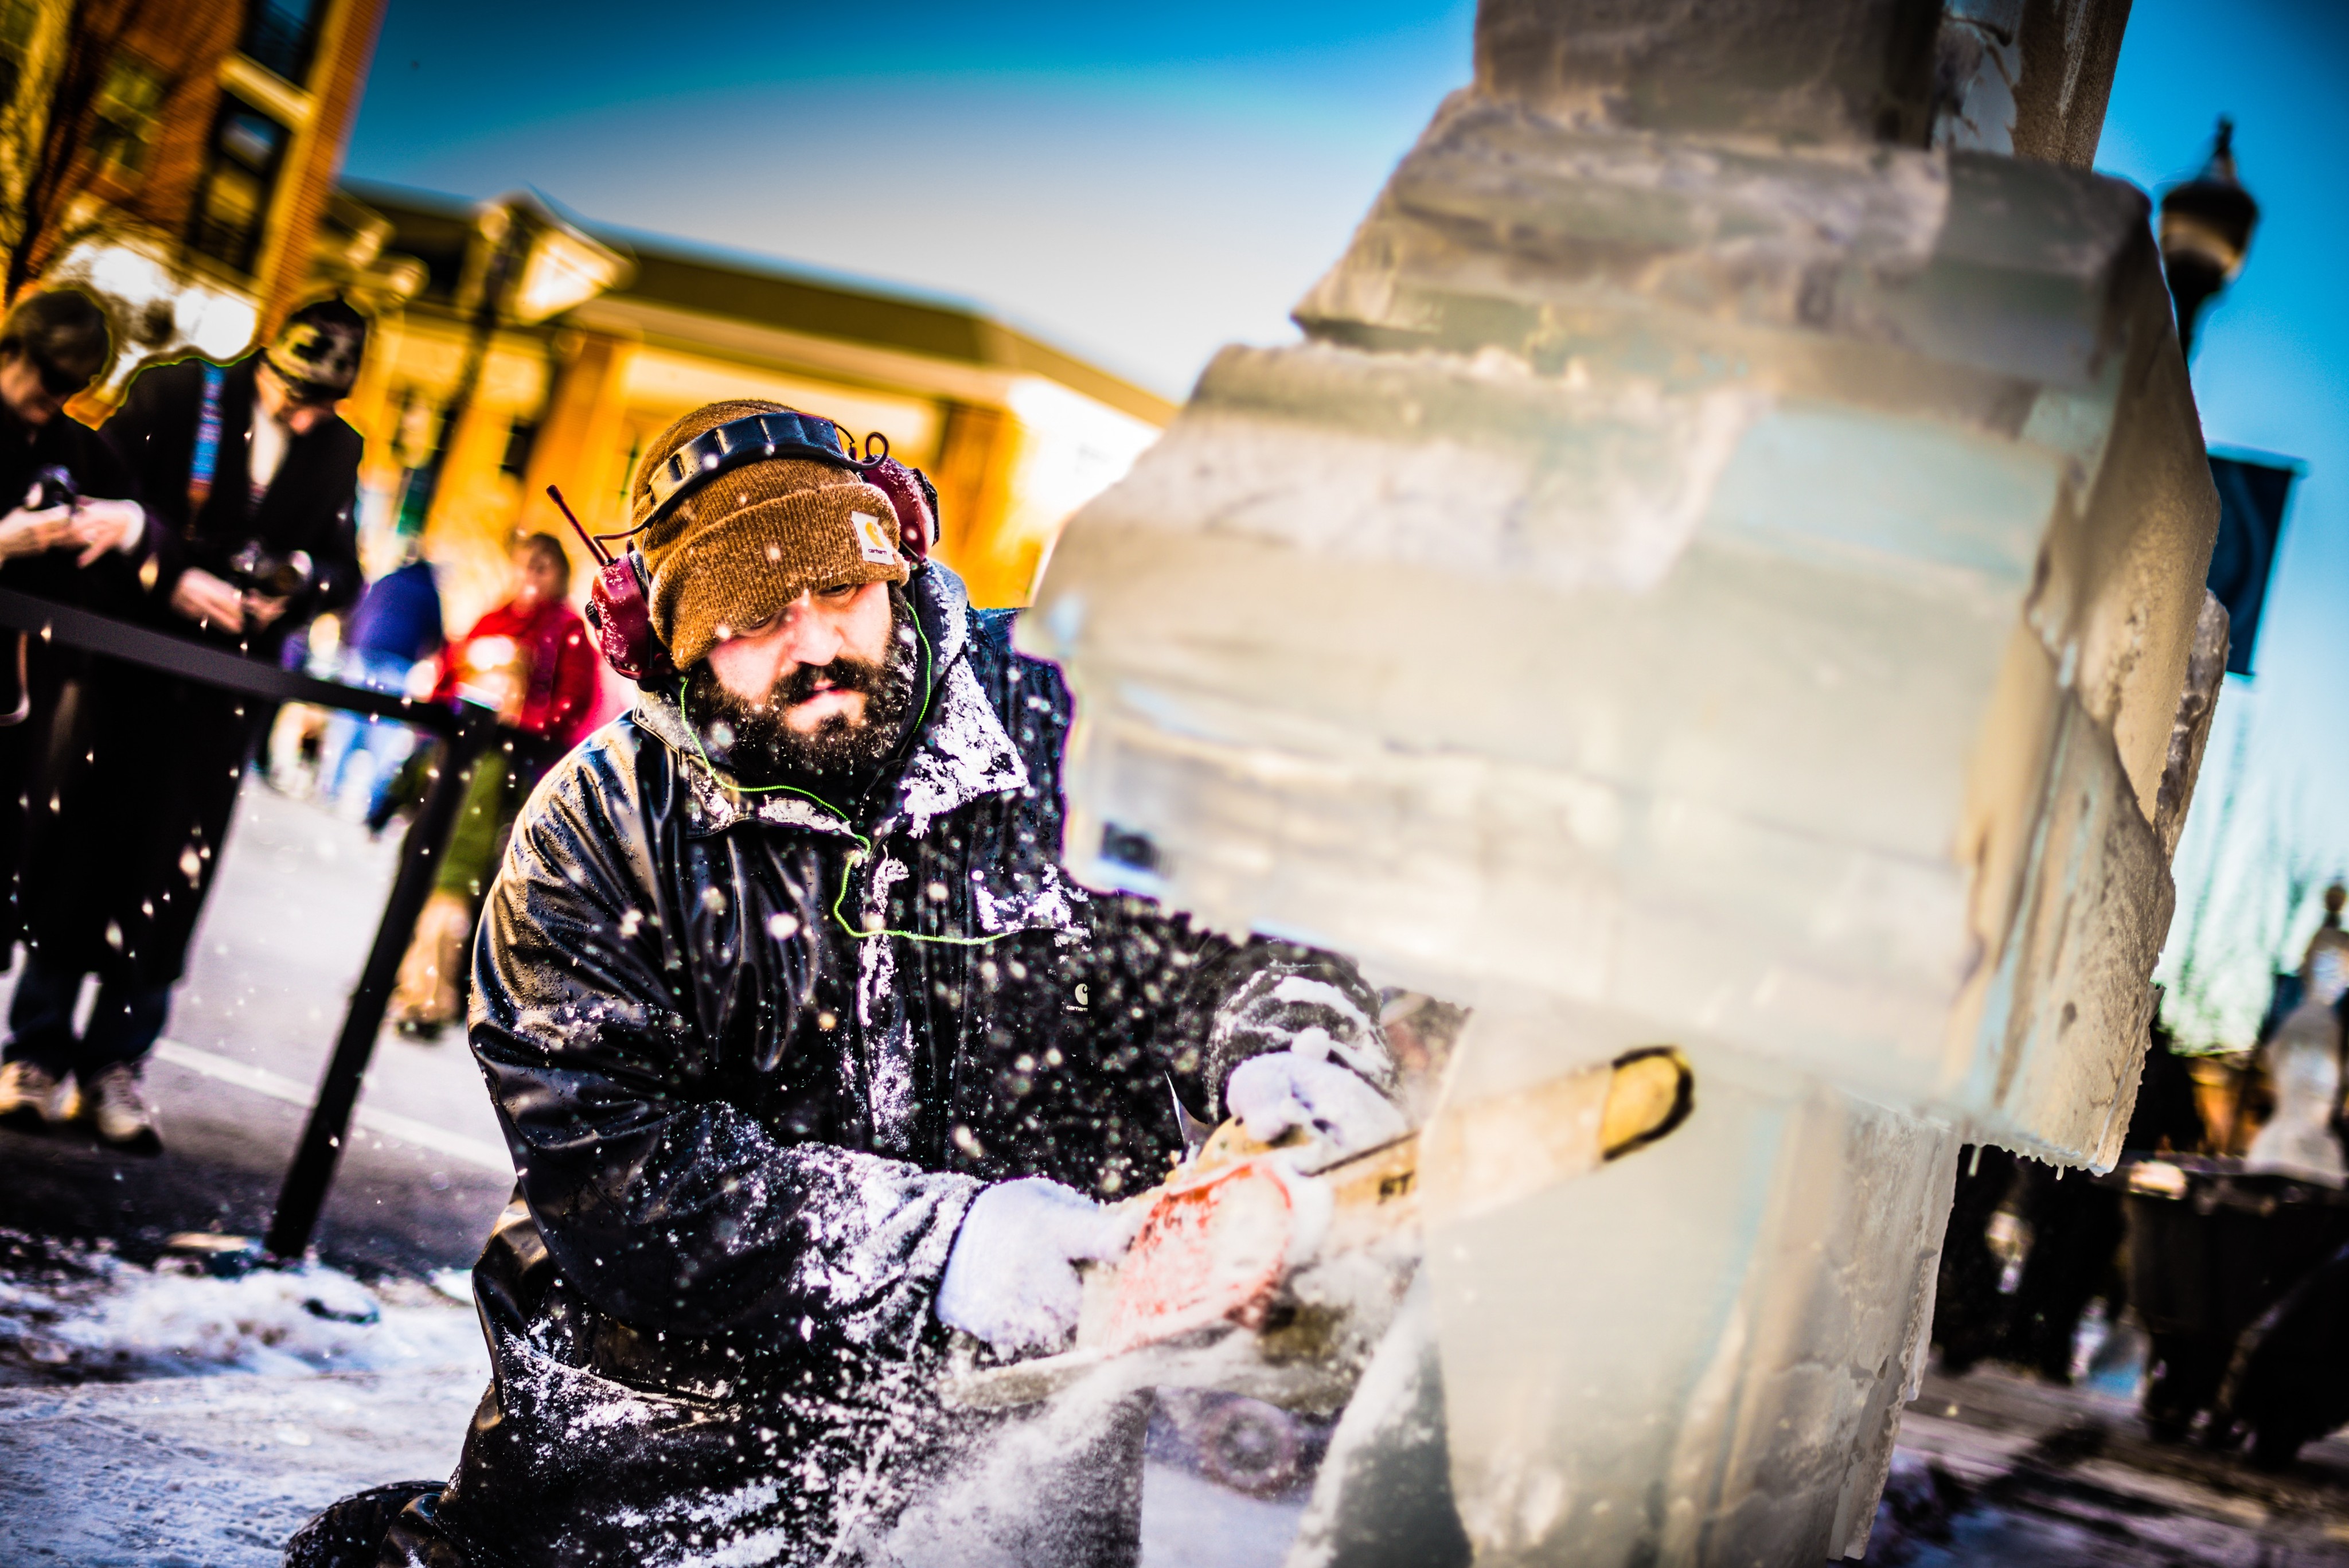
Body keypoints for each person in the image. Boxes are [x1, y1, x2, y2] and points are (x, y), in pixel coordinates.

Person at [305, 400, 1399, 1568]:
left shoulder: (1074, 732)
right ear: (660, 636)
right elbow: (610, 1171)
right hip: (666, 1425)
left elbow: (1246, 931)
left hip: (1017, 1427)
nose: (814, 641)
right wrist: (946, 1248)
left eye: (841, 590)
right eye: (755, 617)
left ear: (903, 555)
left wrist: (1292, 1047)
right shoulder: (594, 833)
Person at [6, 297, 367, 1151]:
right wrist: (169, 573)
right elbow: (95, 503)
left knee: (173, 876)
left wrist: (298, 577)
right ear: (267, 360)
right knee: (79, 849)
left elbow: (347, 570)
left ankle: (117, 1067)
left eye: (323, 404)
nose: (305, 413)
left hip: (222, 698)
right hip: (124, 668)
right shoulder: (177, 394)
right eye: (294, 394)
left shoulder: (338, 449)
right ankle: (36, 1053)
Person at [0, 287, 152, 1132]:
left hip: (23, 710)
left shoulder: (74, 448)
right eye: (43, 376)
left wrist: (124, 526)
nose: (49, 398)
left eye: (70, 385)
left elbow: (142, 531)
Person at [384, 532, 595, 1037]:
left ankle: (432, 994)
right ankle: (395, 979)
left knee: (460, 882)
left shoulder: (565, 632)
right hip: (453, 760)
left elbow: (573, 708)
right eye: (526, 566)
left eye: (543, 568)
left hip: (505, 774)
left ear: (559, 574)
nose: (532, 577)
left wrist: (521, 718)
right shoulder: (496, 617)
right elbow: (445, 678)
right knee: (417, 866)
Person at [315, 542, 444, 817]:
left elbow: (357, 612)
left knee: (347, 723)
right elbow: (437, 638)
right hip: (398, 663)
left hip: (362, 654)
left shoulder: (387, 581)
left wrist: (350, 645)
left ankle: (329, 790)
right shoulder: (430, 593)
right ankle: (372, 804)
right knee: (384, 735)